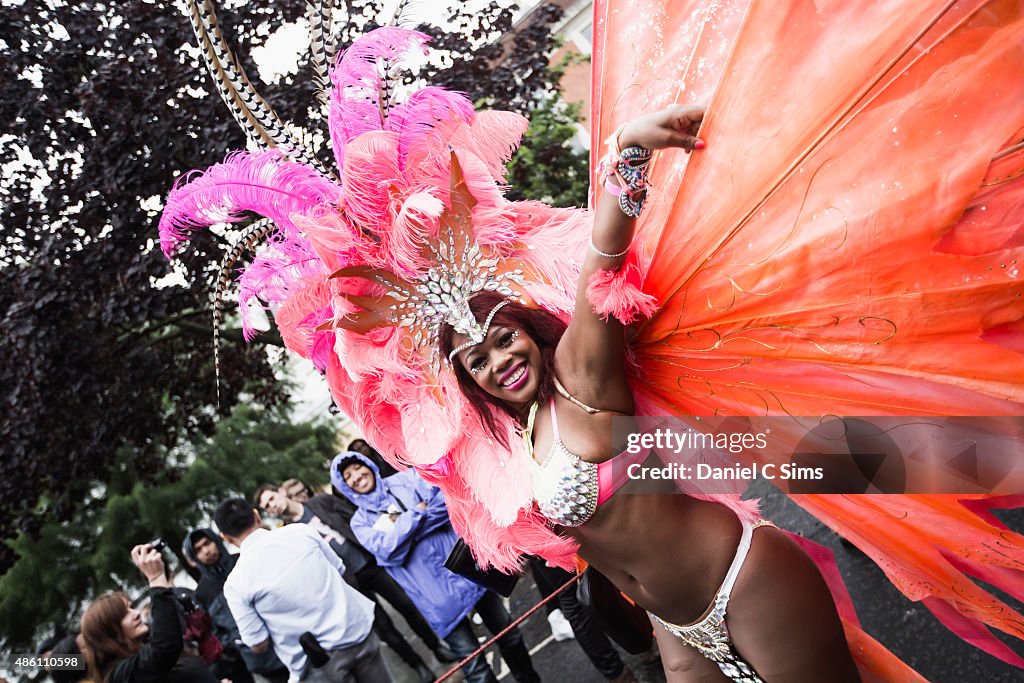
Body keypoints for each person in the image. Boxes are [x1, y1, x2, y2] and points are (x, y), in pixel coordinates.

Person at [161, 14, 1024, 682]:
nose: (502, 356)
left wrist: (628, 158)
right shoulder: (509, 441)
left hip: (745, 580)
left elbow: (601, 271)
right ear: (468, 385)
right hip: (678, 625)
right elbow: (405, 426)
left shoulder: (580, 377)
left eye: (505, 335)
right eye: (480, 359)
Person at [332, 452, 541, 683]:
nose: (356, 477)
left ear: (368, 465)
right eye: (347, 476)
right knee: (475, 668)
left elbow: (444, 505)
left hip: (469, 572)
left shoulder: (408, 478)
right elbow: (386, 550)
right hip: (434, 596)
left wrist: (404, 535)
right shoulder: (359, 522)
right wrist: (417, 512)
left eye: (356, 468)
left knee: (509, 636)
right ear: (344, 487)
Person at [257, 481, 454, 682]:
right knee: (383, 627)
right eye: (266, 506)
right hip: (346, 583)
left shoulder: (319, 503)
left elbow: (354, 518)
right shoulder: (291, 533)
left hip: (369, 563)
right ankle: (417, 665)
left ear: (280, 492)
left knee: (407, 605)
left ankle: (435, 646)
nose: (272, 505)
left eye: (271, 498)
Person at [214, 497, 392, 683]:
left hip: (317, 664)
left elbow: (258, 643)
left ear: (224, 537)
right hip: (355, 632)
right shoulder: (300, 532)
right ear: (256, 515)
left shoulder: (236, 583)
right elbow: (338, 569)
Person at [80, 542, 218, 683]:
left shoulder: (140, 651)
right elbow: (165, 648)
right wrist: (156, 578)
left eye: (131, 607)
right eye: (124, 614)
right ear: (110, 632)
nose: (136, 613)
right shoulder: (120, 675)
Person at [182, 528, 290, 683]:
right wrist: (237, 640)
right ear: (194, 558)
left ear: (216, 541)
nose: (206, 551)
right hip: (262, 661)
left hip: (288, 635)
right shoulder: (202, 593)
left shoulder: (244, 560)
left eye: (207, 543)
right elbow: (214, 633)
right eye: (198, 550)